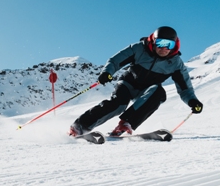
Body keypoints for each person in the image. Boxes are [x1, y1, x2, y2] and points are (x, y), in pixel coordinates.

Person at [70, 26, 203, 137]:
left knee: (159, 93)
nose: (164, 48)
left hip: (147, 91)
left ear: (174, 46)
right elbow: (115, 61)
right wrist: (107, 72)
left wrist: (193, 101)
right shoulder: (139, 48)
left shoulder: (176, 64)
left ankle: (125, 124)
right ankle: (80, 126)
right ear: (154, 41)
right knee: (118, 105)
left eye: (169, 45)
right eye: (160, 43)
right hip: (128, 84)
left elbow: (185, 88)